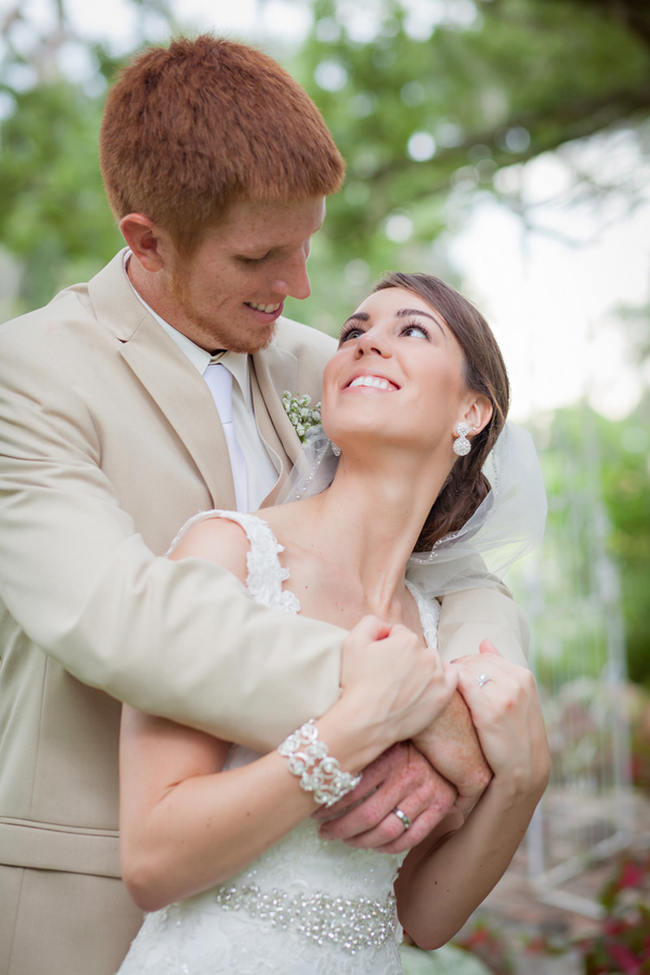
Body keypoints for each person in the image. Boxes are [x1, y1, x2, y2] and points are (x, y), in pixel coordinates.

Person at [0, 37, 527, 975]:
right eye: (261, 255)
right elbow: (130, 618)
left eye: (307, 242)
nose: (303, 286)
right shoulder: (28, 378)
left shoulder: (313, 363)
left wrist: (484, 693)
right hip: (86, 901)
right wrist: (411, 708)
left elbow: (456, 546)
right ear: (147, 240)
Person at [115, 271, 550, 974]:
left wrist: (524, 780)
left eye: (411, 329)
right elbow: (151, 861)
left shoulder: (446, 628)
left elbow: (424, 917)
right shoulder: (230, 552)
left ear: (470, 412)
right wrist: (354, 729)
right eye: (354, 331)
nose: (366, 343)